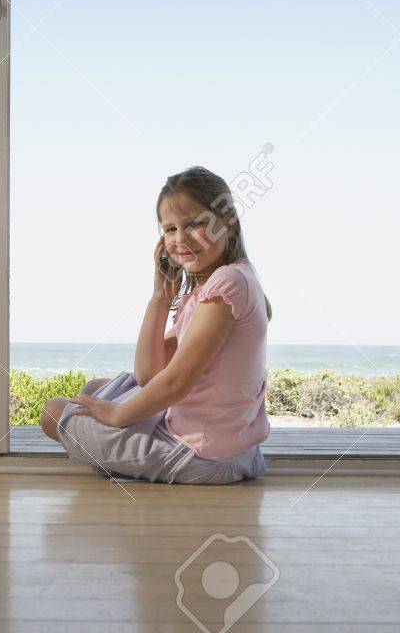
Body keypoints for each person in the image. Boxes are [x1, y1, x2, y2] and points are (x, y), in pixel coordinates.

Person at [41, 165, 271, 484]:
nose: (180, 239)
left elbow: (176, 383)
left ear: (229, 221)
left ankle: (124, 458)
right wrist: (159, 300)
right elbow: (149, 375)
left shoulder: (225, 287)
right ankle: (117, 453)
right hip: (234, 447)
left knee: (54, 411)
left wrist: (117, 415)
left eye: (195, 224)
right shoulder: (228, 281)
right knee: (96, 389)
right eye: (170, 229)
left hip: (202, 456)